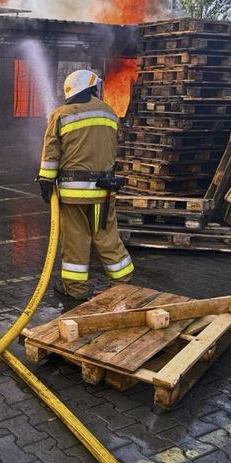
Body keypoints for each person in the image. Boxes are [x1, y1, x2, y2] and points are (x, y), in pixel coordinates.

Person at [36, 69, 133, 300]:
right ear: (92, 88)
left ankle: (75, 290)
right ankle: (124, 283)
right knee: (106, 237)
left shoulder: (61, 114)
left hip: (73, 196)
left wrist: (45, 180)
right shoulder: (109, 113)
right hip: (104, 192)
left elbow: (51, 153)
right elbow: (111, 147)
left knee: (75, 241)